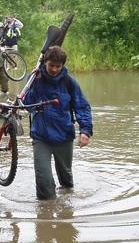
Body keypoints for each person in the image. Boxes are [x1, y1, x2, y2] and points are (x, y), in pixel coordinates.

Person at [23, 46, 92, 200]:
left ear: (62, 66)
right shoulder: (34, 79)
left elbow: (82, 106)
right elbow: (27, 103)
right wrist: (36, 83)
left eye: (57, 66)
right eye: (51, 65)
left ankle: (66, 208)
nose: (54, 69)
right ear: (45, 63)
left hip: (64, 136)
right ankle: (45, 214)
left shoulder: (69, 82)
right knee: (43, 179)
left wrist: (85, 131)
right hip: (41, 137)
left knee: (66, 180)